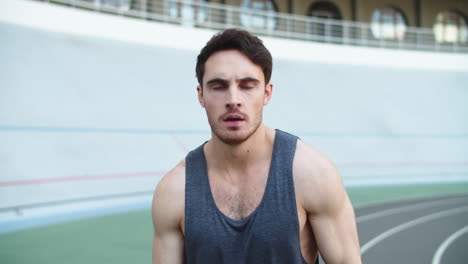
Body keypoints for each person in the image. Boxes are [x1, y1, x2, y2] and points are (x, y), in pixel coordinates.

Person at [152, 28, 362, 264]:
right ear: (201, 96)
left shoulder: (311, 173)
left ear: (267, 93)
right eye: (218, 86)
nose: (233, 100)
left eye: (247, 85)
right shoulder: (174, 191)